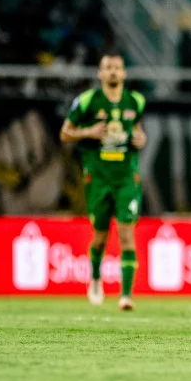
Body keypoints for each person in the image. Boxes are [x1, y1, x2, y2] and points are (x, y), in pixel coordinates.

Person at [59, 54, 147, 311]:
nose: (113, 72)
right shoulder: (87, 101)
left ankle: (126, 296)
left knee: (126, 234)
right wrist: (88, 132)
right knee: (99, 237)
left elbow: (138, 130)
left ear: (124, 73)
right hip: (97, 178)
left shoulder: (136, 101)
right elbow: (65, 133)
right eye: (108, 68)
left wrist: (141, 138)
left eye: (117, 68)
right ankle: (96, 279)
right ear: (100, 73)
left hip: (126, 179)